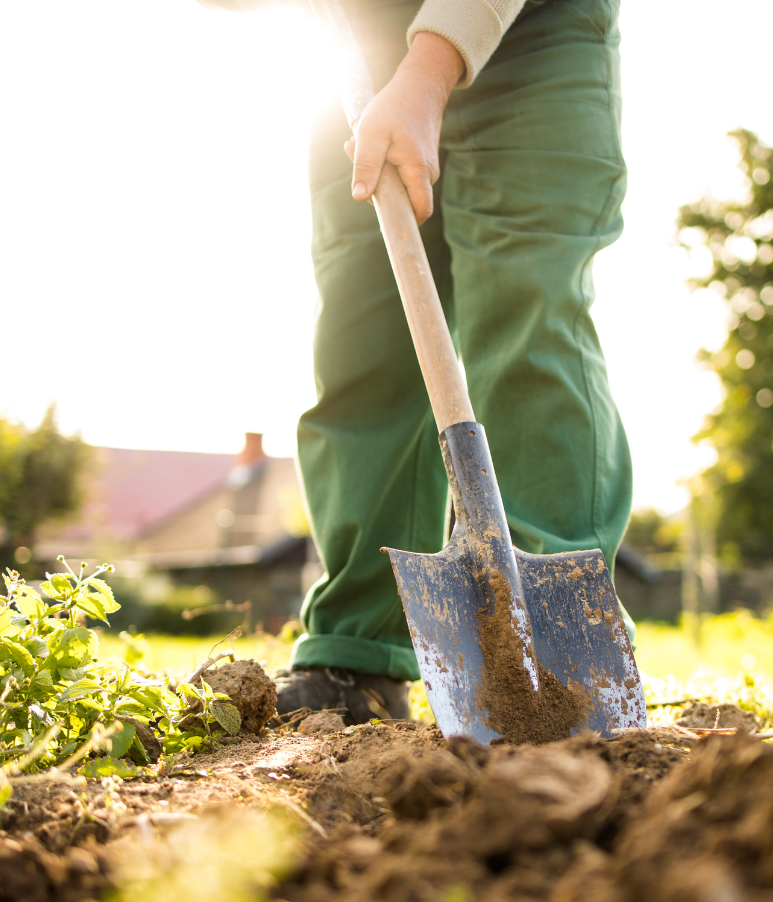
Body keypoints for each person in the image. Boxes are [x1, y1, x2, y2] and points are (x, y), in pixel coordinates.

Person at [197, 0, 633, 722]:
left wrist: (429, 71)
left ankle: (563, 653)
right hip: (359, 41)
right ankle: (357, 658)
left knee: (528, 313)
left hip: (533, 32)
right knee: (364, 332)